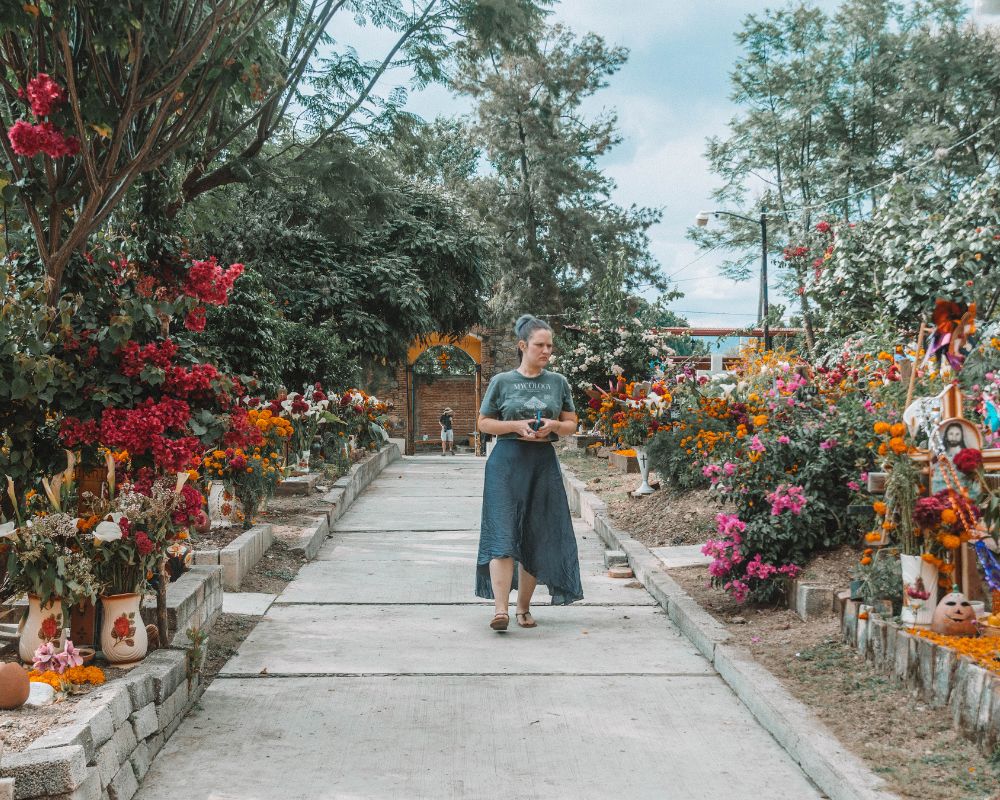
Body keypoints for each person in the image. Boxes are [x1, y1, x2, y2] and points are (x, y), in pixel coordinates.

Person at [476, 314, 584, 631]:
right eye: (540, 345)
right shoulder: (502, 381)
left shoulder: (558, 382)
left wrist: (554, 425)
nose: (546, 350)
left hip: (542, 463)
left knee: (535, 536)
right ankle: (500, 610)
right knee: (502, 533)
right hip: (506, 463)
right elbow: (484, 423)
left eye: (550, 345)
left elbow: (571, 424)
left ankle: (523, 608)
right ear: (523, 346)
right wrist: (514, 426)